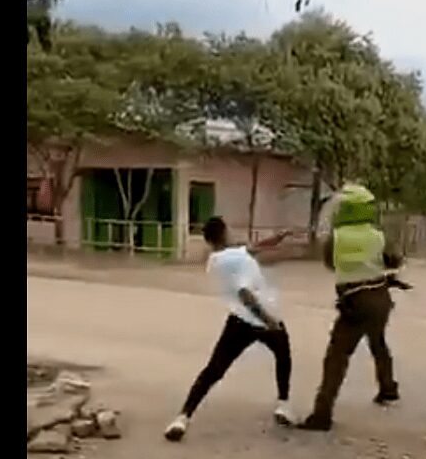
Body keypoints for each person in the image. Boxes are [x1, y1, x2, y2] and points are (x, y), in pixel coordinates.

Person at [163, 217, 296, 442]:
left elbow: (253, 249)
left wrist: (278, 237)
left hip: (237, 321)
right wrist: (268, 320)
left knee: (214, 370)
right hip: (259, 317)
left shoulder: (216, 260)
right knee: (283, 355)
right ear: (224, 233)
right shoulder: (239, 260)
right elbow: (245, 293)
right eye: (230, 229)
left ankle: (182, 417)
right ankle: (283, 404)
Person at [298, 184, 410, 432]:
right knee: (378, 342)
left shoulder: (335, 238)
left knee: (337, 356)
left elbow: (330, 264)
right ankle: (388, 388)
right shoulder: (378, 235)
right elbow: (395, 259)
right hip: (380, 298)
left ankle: (322, 414)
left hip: (353, 300)